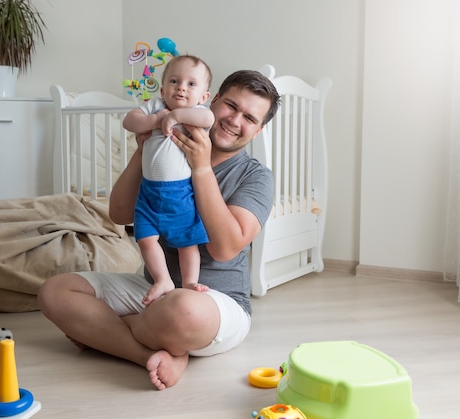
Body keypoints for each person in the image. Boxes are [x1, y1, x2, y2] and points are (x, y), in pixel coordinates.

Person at [38, 69, 280, 390]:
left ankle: (106, 331)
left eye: (249, 117)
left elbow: (225, 248)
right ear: (214, 100)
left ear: (259, 130)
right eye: (231, 106)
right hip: (152, 290)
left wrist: (202, 167)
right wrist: (144, 147)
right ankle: (157, 353)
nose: (235, 120)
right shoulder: (166, 144)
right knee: (55, 292)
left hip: (212, 304)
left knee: (183, 311)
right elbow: (119, 213)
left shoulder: (256, 177)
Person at [122, 55, 215, 306]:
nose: (181, 87)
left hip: (179, 194)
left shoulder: (196, 113)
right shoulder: (155, 106)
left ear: (204, 97)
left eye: (191, 84)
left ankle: (189, 282)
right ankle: (162, 279)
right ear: (163, 89)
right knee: (144, 238)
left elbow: (209, 121)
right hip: (148, 193)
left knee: (188, 243)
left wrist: (176, 118)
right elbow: (129, 121)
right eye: (174, 81)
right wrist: (156, 119)